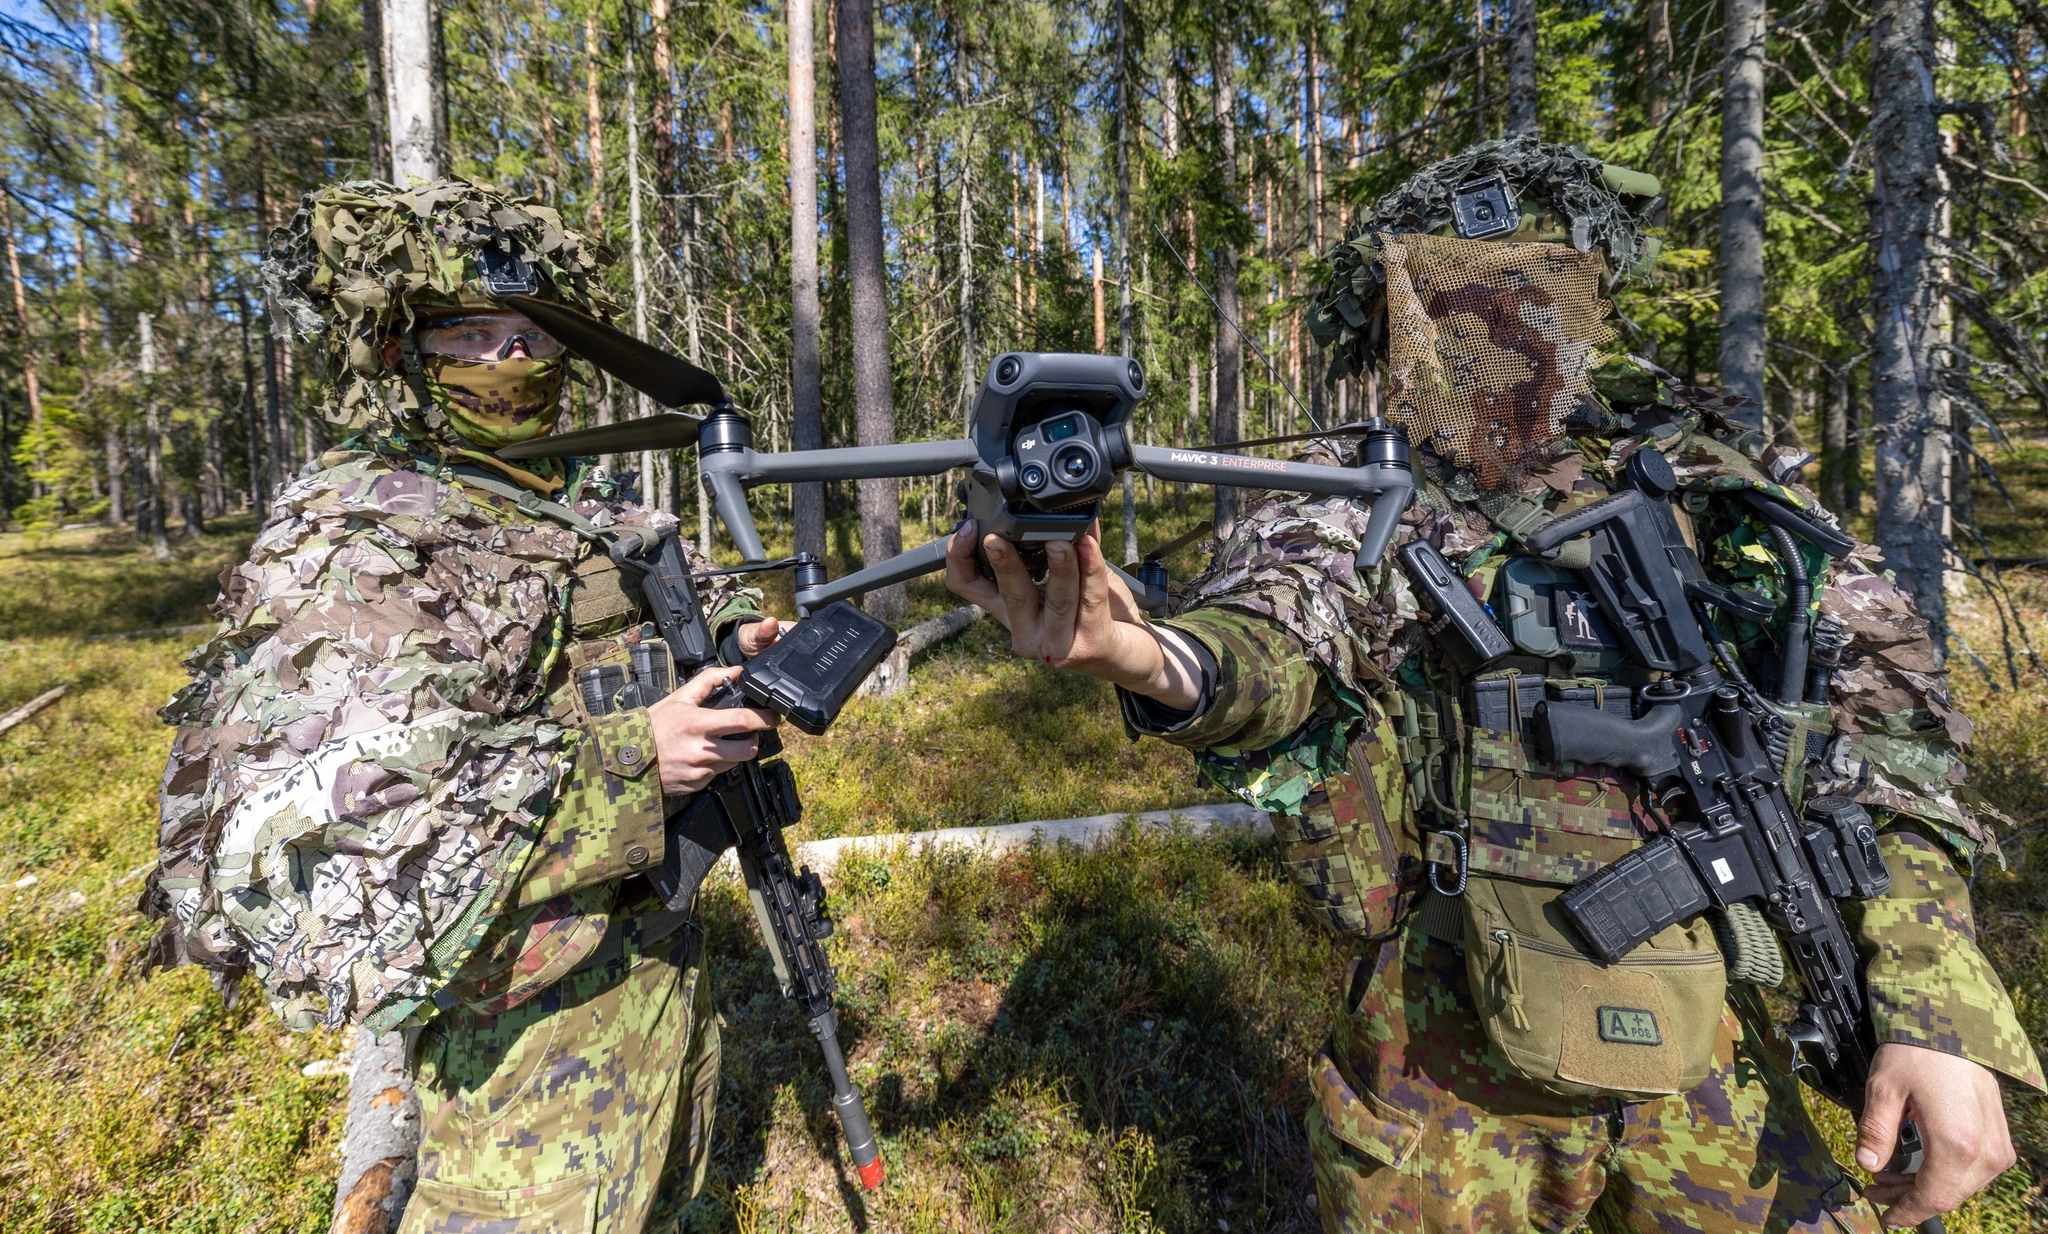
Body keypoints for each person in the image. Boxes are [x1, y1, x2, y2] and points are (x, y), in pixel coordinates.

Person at [945, 135, 2042, 1232]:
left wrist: (1931, 1001)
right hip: (1442, 1070)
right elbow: (1275, 627)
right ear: (1400, 308)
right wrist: (1150, 659)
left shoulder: (1707, 484)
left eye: (1535, 280)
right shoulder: (1356, 491)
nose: (1500, 321)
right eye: (1456, 293)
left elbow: (1884, 732)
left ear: (1588, 285)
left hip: (1723, 1053)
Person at [141, 178, 783, 1232]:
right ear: (399, 352)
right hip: (508, 1070)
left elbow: (660, 586)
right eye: (472, 336)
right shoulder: (358, 539)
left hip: (654, 990)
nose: (508, 364)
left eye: (529, 337)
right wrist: (632, 763)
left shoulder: (567, 491)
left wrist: (732, 636)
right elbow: (346, 840)